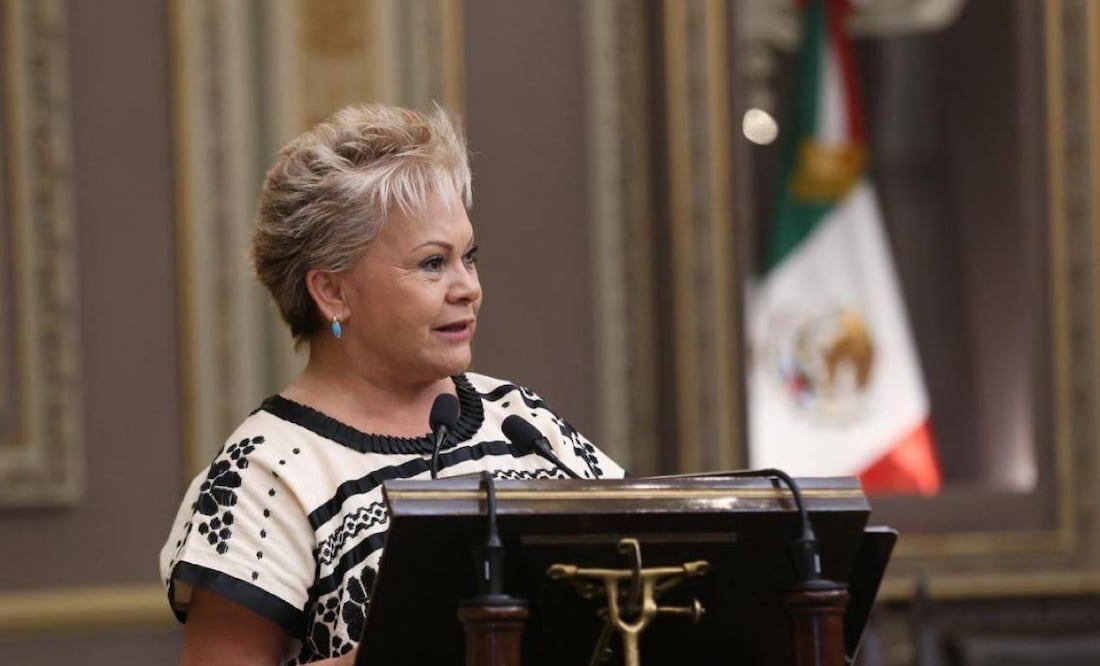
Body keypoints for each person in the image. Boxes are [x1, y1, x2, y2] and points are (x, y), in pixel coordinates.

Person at [160, 104, 625, 666]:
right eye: (433, 264)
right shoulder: (265, 473)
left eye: (468, 258)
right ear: (332, 292)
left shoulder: (521, 421)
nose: (467, 288)